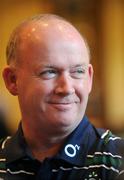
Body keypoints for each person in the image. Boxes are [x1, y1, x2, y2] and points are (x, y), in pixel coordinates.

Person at [0, 14, 124, 180]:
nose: (66, 88)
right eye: (49, 72)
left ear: (89, 78)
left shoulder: (118, 161)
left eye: (77, 72)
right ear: (12, 80)